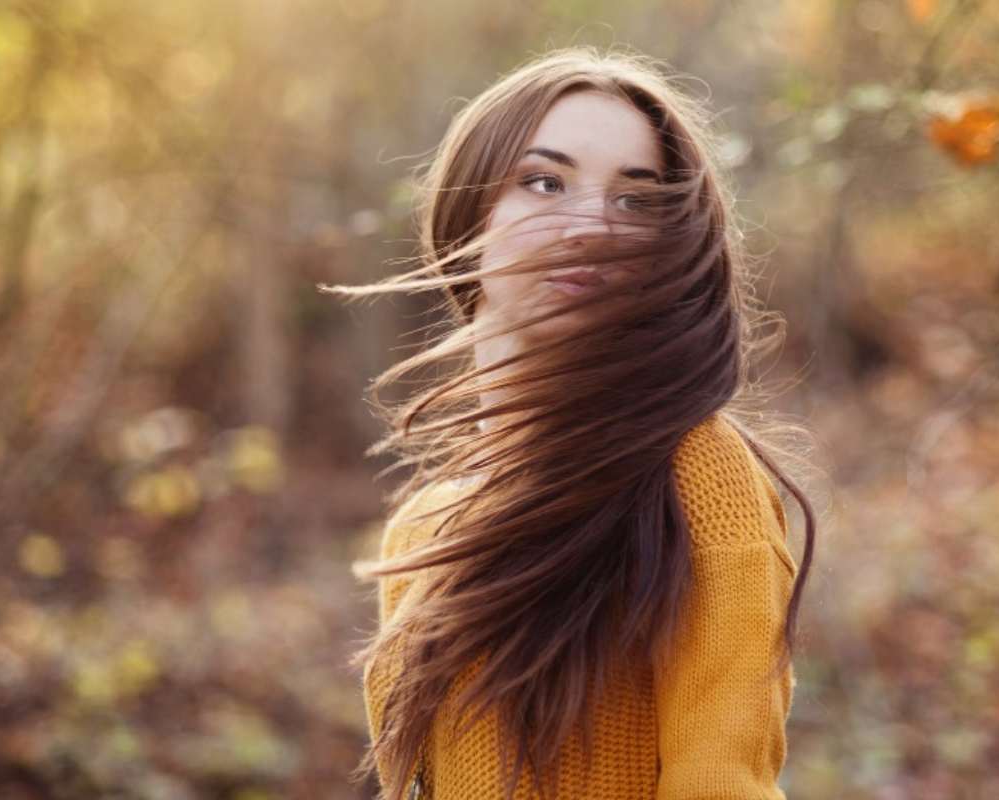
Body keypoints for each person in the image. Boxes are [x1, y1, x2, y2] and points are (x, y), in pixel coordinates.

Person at [323, 44, 819, 800]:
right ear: (467, 215)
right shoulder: (423, 529)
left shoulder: (695, 470)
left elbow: (722, 781)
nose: (593, 223)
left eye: (635, 199)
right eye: (545, 182)